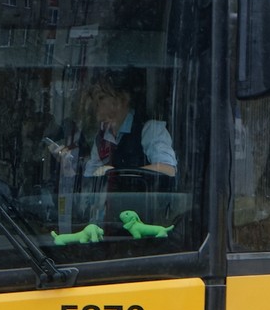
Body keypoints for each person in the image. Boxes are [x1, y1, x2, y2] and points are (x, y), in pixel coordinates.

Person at [49, 67, 176, 243]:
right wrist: (69, 167)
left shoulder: (150, 130)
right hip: (104, 228)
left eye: (101, 98)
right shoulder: (102, 138)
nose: (95, 105)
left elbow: (168, 169)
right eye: (94, 99)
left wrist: (117, 172)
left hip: (141, 231)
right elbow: (90, 179)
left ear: (122, 100)